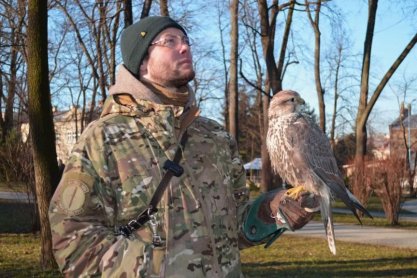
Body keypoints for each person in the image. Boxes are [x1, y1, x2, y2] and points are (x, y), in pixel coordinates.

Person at [49, 16, 317, 277]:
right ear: (141, 60)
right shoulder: (103, 137)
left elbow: (237, 226)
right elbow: (73, 240)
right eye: (170, 40)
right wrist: (156, 269)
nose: (185, 46)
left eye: (186, 39)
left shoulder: (215, 137)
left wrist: (273, 210)